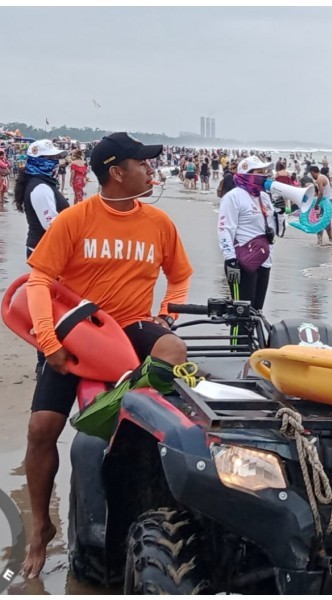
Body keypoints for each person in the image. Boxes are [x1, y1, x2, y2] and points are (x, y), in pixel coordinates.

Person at [20, 132, 193, 578]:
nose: (152, 170)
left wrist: (167, 312)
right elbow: (38, 280)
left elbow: (179, 275)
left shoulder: (158, 222)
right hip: (78, 330)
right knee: (41, 429)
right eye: (143, 164)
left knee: (174, 348)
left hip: (132, 326)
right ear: (117, 172)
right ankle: (40, 527)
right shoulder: (74, 219)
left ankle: (135, 437)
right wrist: (50, 342)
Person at [218, 155, 275, 311]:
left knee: (256, 313)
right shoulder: (233, 197)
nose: (264, 175)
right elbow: (225, 229)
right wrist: (230, 259)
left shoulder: (264, 196)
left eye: (265, 171)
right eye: (260, 171)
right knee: (241, 315)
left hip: (264, 260)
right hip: (241, 262)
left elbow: (276, 230)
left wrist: (280, 213)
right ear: (247, 173)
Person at [14, 140, 70, 259]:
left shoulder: (42, 183)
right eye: (52, 158)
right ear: (38, 161)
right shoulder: (40, 188)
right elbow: (51, 225)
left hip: (45, 249)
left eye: (57, 157)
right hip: (44, 252)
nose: (56, 162)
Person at [309, 165, 332, 245]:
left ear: (313, 172)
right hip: (328, 201)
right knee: (324, 221)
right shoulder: (323, 177)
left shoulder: (320, 179)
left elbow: (321, 193)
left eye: (311, 174)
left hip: (326, 203)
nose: (311, 176)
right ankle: (330, 241)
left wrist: (316, 204)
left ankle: (321, 242)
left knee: (321, 221)